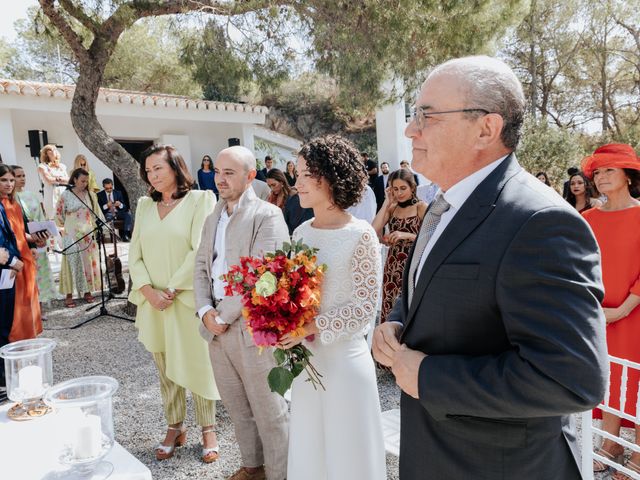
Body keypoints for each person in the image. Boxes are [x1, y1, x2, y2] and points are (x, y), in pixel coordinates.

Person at [372, 56, 608, 480]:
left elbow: (571, 379)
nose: (411, 129)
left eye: (426, 115)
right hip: (438, 454)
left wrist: (427, 375)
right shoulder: (441, 207)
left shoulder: (541, 222)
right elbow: (425, 294)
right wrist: (396, 322)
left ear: (486, 128)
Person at [278, 135, 386, 480]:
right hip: (308, 365)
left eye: (305, 174)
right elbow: (289, 292)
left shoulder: (361, 235)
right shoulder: (301, 232)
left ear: (329, 177)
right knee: (312, 453)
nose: (297, 183)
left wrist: (307, 328)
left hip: (345, 365)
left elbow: (364, 308)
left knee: (348, 455)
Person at [194, 145, 290, 480]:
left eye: (229, 172)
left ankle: (280, 474)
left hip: (252, 326)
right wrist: (205, 309)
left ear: (251, 176)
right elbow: (201, 266)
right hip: (215, 327)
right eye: (217, 172)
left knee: (269, 409)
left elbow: (265, 274)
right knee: (236, 406)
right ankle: (253, 468)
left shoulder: (267, 215)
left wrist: (223, 316)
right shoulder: (212, 217)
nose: (220, 179)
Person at [128, 145, 220, 463]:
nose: (152, 176)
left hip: (184, 297)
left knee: (198, 361)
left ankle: (208, 428)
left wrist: (169, 289)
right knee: (164, 367)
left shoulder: (199, 200)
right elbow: (134, 253)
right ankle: (174, 425)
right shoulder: (143, 206)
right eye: (148, 171)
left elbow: (200, 249)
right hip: (152, 302)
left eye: (159, 169)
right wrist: (148, 292)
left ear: (176, 169)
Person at [581, 144, 640, 479]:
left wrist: (623, 310)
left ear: (627, 176)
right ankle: (611, 444)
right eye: (597, 172)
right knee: (610, 379)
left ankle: (639, 454)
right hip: (599, 314)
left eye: (609, 170)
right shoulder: (587, 218)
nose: (600, 177)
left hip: (635, 314)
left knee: (638, 380)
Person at [372, 169, 427, 324]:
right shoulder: (392, 208)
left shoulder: (421, 207)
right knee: (389, 305)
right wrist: (386, 202)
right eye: (395, 189)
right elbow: (373, 229)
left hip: (414, 263)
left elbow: (434, 237)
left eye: (403, 188)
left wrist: (406, 235)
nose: (399, 193)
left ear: (412, 187)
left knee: (410, 305)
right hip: (392, 264)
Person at [0, 165, 43, 344]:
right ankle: (14, 345)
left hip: (24, 256)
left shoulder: (15, 204)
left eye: (11, 180)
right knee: (13, 309)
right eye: (4, 180)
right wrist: (11, 260)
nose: (9, 184)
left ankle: (26, 344)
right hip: (10, 259)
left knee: (27, 303)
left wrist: (32, 240)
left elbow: (19, 232)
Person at [55, 168, 104, 307]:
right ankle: (69, 294)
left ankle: (87, 291)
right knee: (72, 262)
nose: (84, 184)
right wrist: (62, 231)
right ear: (74, 179)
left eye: (86, 181)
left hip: (88, 233)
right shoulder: (65, 195)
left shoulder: (90, 194)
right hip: (71, 233)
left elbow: (97, 214)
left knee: (88, 262)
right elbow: (58, 215)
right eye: (82, 181)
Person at [12, 166, 59, 304]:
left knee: (41, 268)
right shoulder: (11, 198)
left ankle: (43, 300)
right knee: (29, 272)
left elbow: (40, 215)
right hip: (23, 237)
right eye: (18, 176)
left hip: (38, 235)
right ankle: (32, 303)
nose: (22, 179)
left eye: (23, 175)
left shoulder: (31, 195)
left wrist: (43, 234)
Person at [0, 187, 21, 392]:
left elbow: (8, 238)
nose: (8, 185)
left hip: (6, 272)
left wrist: (16, 260)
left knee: (4, 325)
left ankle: (4, 379)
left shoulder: (1, 204)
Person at [38, 144, 69, 219]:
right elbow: (49, 180)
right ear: (46, 154)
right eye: (50, 151)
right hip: (51, 193)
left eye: (54, 150)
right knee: (53, 215)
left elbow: (68, 179)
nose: (52, 152)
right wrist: (61, 179)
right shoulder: (42, 166)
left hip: (63, 191)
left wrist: (56, 178)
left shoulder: (62, 166)